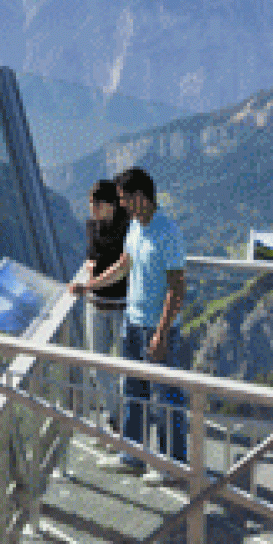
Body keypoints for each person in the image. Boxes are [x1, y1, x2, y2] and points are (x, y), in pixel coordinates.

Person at [91, 166, 188, 477]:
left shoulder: (168, 232)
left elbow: (176, 287)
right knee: (133, 391)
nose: (122, 205)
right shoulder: (135, 227)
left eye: (124, 199)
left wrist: (161, 333)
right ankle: (132, 455)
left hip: (157, 326)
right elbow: (124, 266)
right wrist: (90, 286)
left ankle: (171, 464)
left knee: (166, 398)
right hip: (133, 322)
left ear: (141, 196)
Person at [67, 179, 129, 435]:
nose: (93, 209)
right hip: (96, 304)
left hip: (123, 304)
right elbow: (92, 257)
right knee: (97, 366)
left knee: (126, 366)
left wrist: (89, 285)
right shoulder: (91, 226)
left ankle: (126, 421)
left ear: (112, 204)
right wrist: (89, 274)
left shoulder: (128, 227)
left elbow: (122, 268)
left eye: (97, 204)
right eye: (91, 204)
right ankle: (115, 418)